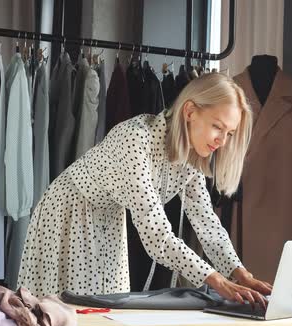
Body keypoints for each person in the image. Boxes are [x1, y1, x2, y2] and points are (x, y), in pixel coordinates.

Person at [17, 72, 272, 307]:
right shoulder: (136, 139)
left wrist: (240, 273)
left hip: (109, 219)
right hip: (67, 211)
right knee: (59, 314)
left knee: (106, 311)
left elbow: (208, 225)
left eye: (229, 133)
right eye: (218, 126)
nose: (223, 140)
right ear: (190, 111)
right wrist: (214, 279)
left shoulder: (190, 160)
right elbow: (157, 236)